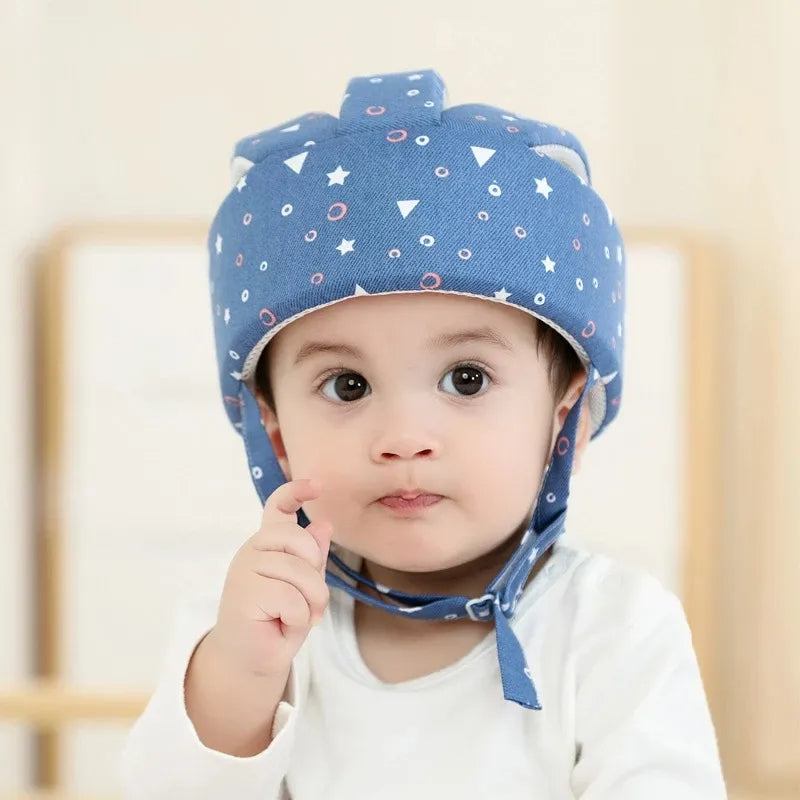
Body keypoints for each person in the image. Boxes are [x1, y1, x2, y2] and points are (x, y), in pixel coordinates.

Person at [120, 68, 728, 798]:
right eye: (347, 386)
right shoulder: (254, 621)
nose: (404, 438)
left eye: (466, 379)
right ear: (274, 429)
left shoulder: (614, 628)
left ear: (565, 413)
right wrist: (239, 682)